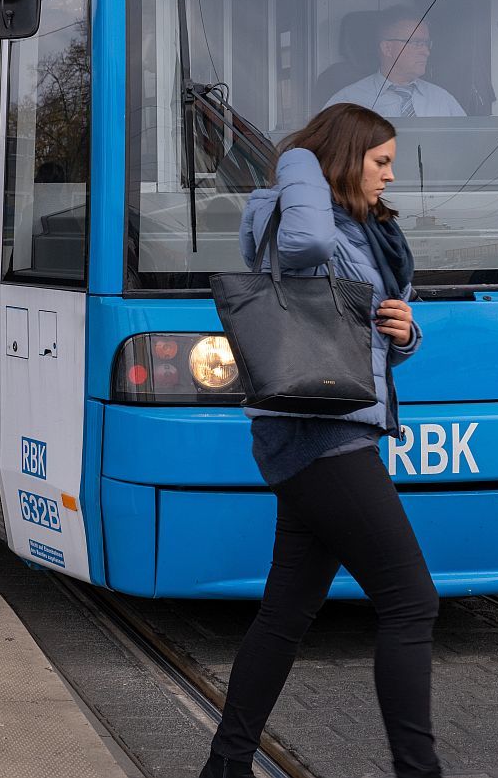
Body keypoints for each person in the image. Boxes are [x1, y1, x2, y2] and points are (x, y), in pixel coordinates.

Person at [202, 103, 439, 778]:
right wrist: (299, 156)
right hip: (323, 437)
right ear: (342, 158)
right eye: (380, 161)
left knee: (284, 615)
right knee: (410, 599)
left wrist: (406, 333)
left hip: (327, 433)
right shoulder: (300, 218)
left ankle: (225, 766)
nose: (391, 176)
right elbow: (305, 248)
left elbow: (364, 346)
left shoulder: (365, 236)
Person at [326, 7, 465, 118]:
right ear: (387, 48)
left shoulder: (443, 100)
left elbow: (470, 149)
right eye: (416, 43)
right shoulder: (347, 101)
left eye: (427, 44)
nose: (426, 52)